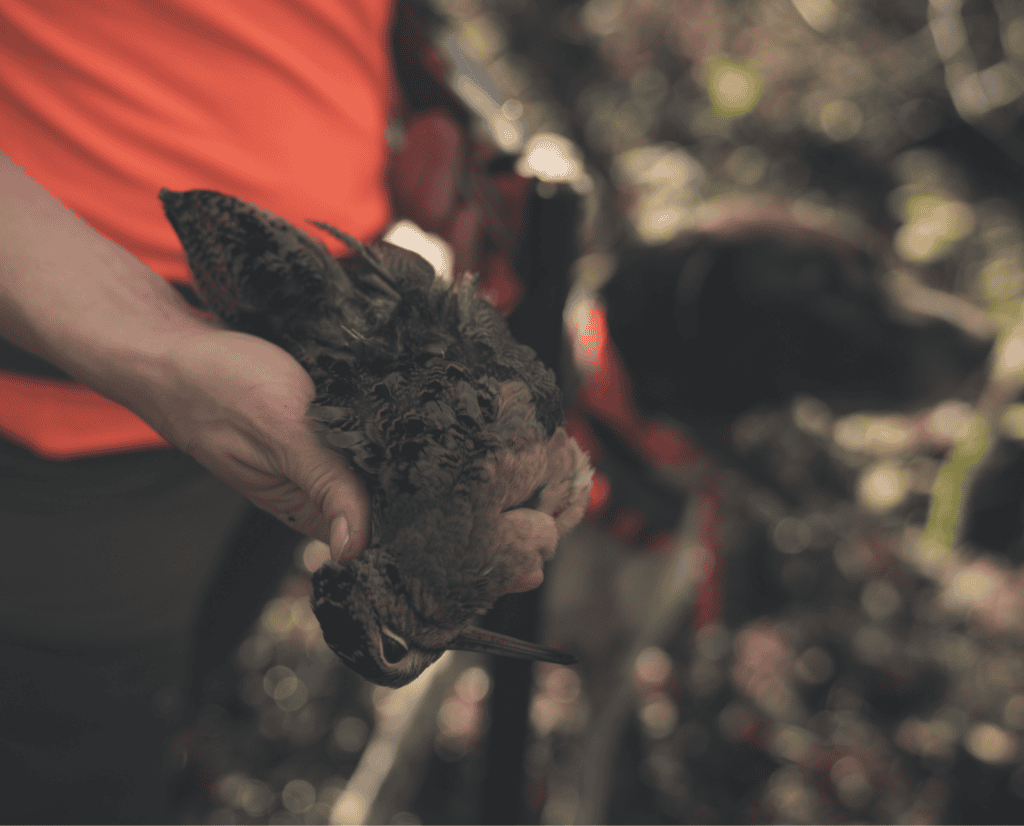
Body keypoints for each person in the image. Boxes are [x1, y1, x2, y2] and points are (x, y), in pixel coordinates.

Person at [0, 1, 498, 820]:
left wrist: (418, 82)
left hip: (303, 368)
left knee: (178, 687)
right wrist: (146, 338)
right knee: (69, 763)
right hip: (66, 405)